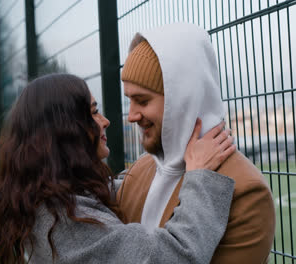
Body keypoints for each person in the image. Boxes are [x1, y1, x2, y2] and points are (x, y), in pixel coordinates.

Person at [0, 73, 236, 264]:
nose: (105, 121)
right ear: (65, 130)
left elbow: (115, 189)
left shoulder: (49, 200)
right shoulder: (67, 224)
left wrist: (162, 163)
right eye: (93, 113)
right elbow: (176, 257)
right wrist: (200, 176)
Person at [117, 23, 275, 263]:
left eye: (142, 100)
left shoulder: (245, 190)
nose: (131, 115)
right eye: (129, 100)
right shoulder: (138, 173)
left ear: (183, 99)